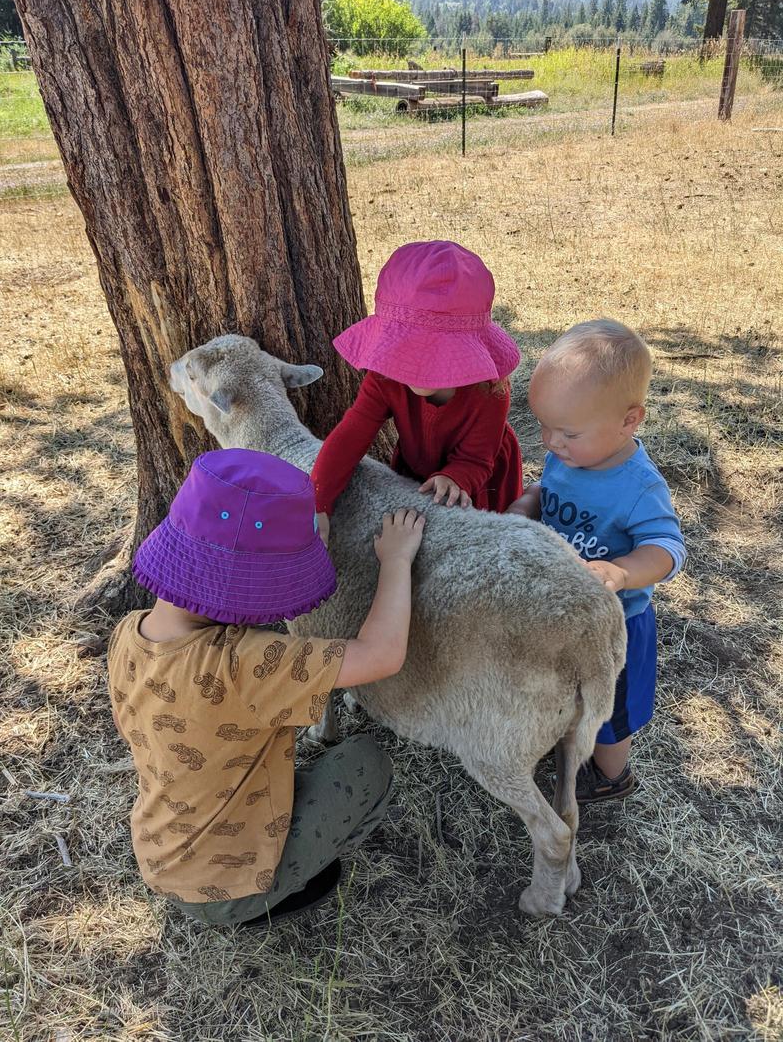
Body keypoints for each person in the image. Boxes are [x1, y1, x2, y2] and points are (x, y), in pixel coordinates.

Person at [107, 447, 425, 926]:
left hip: (161, 859)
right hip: (231, 891)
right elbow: (382, 655)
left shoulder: (129, 634)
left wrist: (295, 542)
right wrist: (396, 560)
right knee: (365, 761)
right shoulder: (246, 664)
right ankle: (275, 895)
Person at [508, 320, 686, 803]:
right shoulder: (569, 456)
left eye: (566, 431)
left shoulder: (639, 486)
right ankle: (565, 738)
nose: (550, 442)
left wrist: (622, 570)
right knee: (562, 686)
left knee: (611, 712)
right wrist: (529, 502)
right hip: (562, 611)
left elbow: (668, 549)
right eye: (543, 426)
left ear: (629, 420)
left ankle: (611, 774)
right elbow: (551, 491)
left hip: (617, 624)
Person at [311, 240, 523, 544]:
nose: (421, 366)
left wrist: (454, 477)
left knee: (480, 546)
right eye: (413, 350)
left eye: (437, 353)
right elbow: (351, 434)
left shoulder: (490, 390)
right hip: (417, 467)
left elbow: (476, 459)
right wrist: (318, 502)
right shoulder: (385, 378)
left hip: (478, 475)